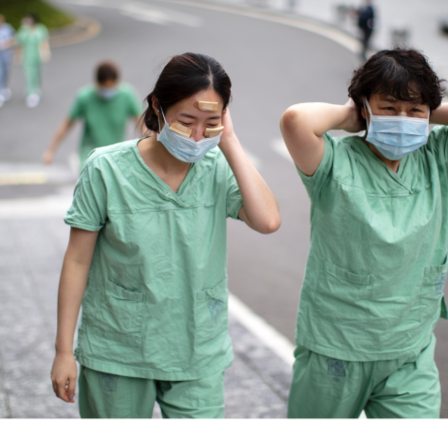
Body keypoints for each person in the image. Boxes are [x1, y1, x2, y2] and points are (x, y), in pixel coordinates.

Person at [280, 49, 448, 421]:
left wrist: (428, 111)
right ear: (364, 109)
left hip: (410, 349)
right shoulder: (334, 161)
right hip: (337, 346)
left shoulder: (436, 157)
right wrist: (350, 115)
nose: (403, 119)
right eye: (388, 108)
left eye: (414, 111)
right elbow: (295, 120)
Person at [50, 52, 281, 421]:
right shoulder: (106, 169)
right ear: (158, 107)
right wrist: (63, 351)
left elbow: (268, 220)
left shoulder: (217, 168)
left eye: (211, 123)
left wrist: (230, 142)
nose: (196, 136)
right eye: (186, 121)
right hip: (118, 349)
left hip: (196, 349)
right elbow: (77, 260)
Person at [43, 61, 143, 167]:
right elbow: (67, 124)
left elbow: (141, 123)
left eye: (111, 87)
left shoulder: (127, 96)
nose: (108, 91)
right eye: (105, 87)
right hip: (90, 156)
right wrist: (50, 150)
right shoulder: (85, 97)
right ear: (97, 83)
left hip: (116, 155)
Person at [17, 13, 50, 108]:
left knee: (37, 73)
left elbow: (44, 41)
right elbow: (20, 42)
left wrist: (46, 52)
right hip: (27, 56)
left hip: (38, 55)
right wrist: (18, 56)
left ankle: (37, 88)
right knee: (29, 74)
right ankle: (31, 93)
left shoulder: (41, 29)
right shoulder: (23, 30)